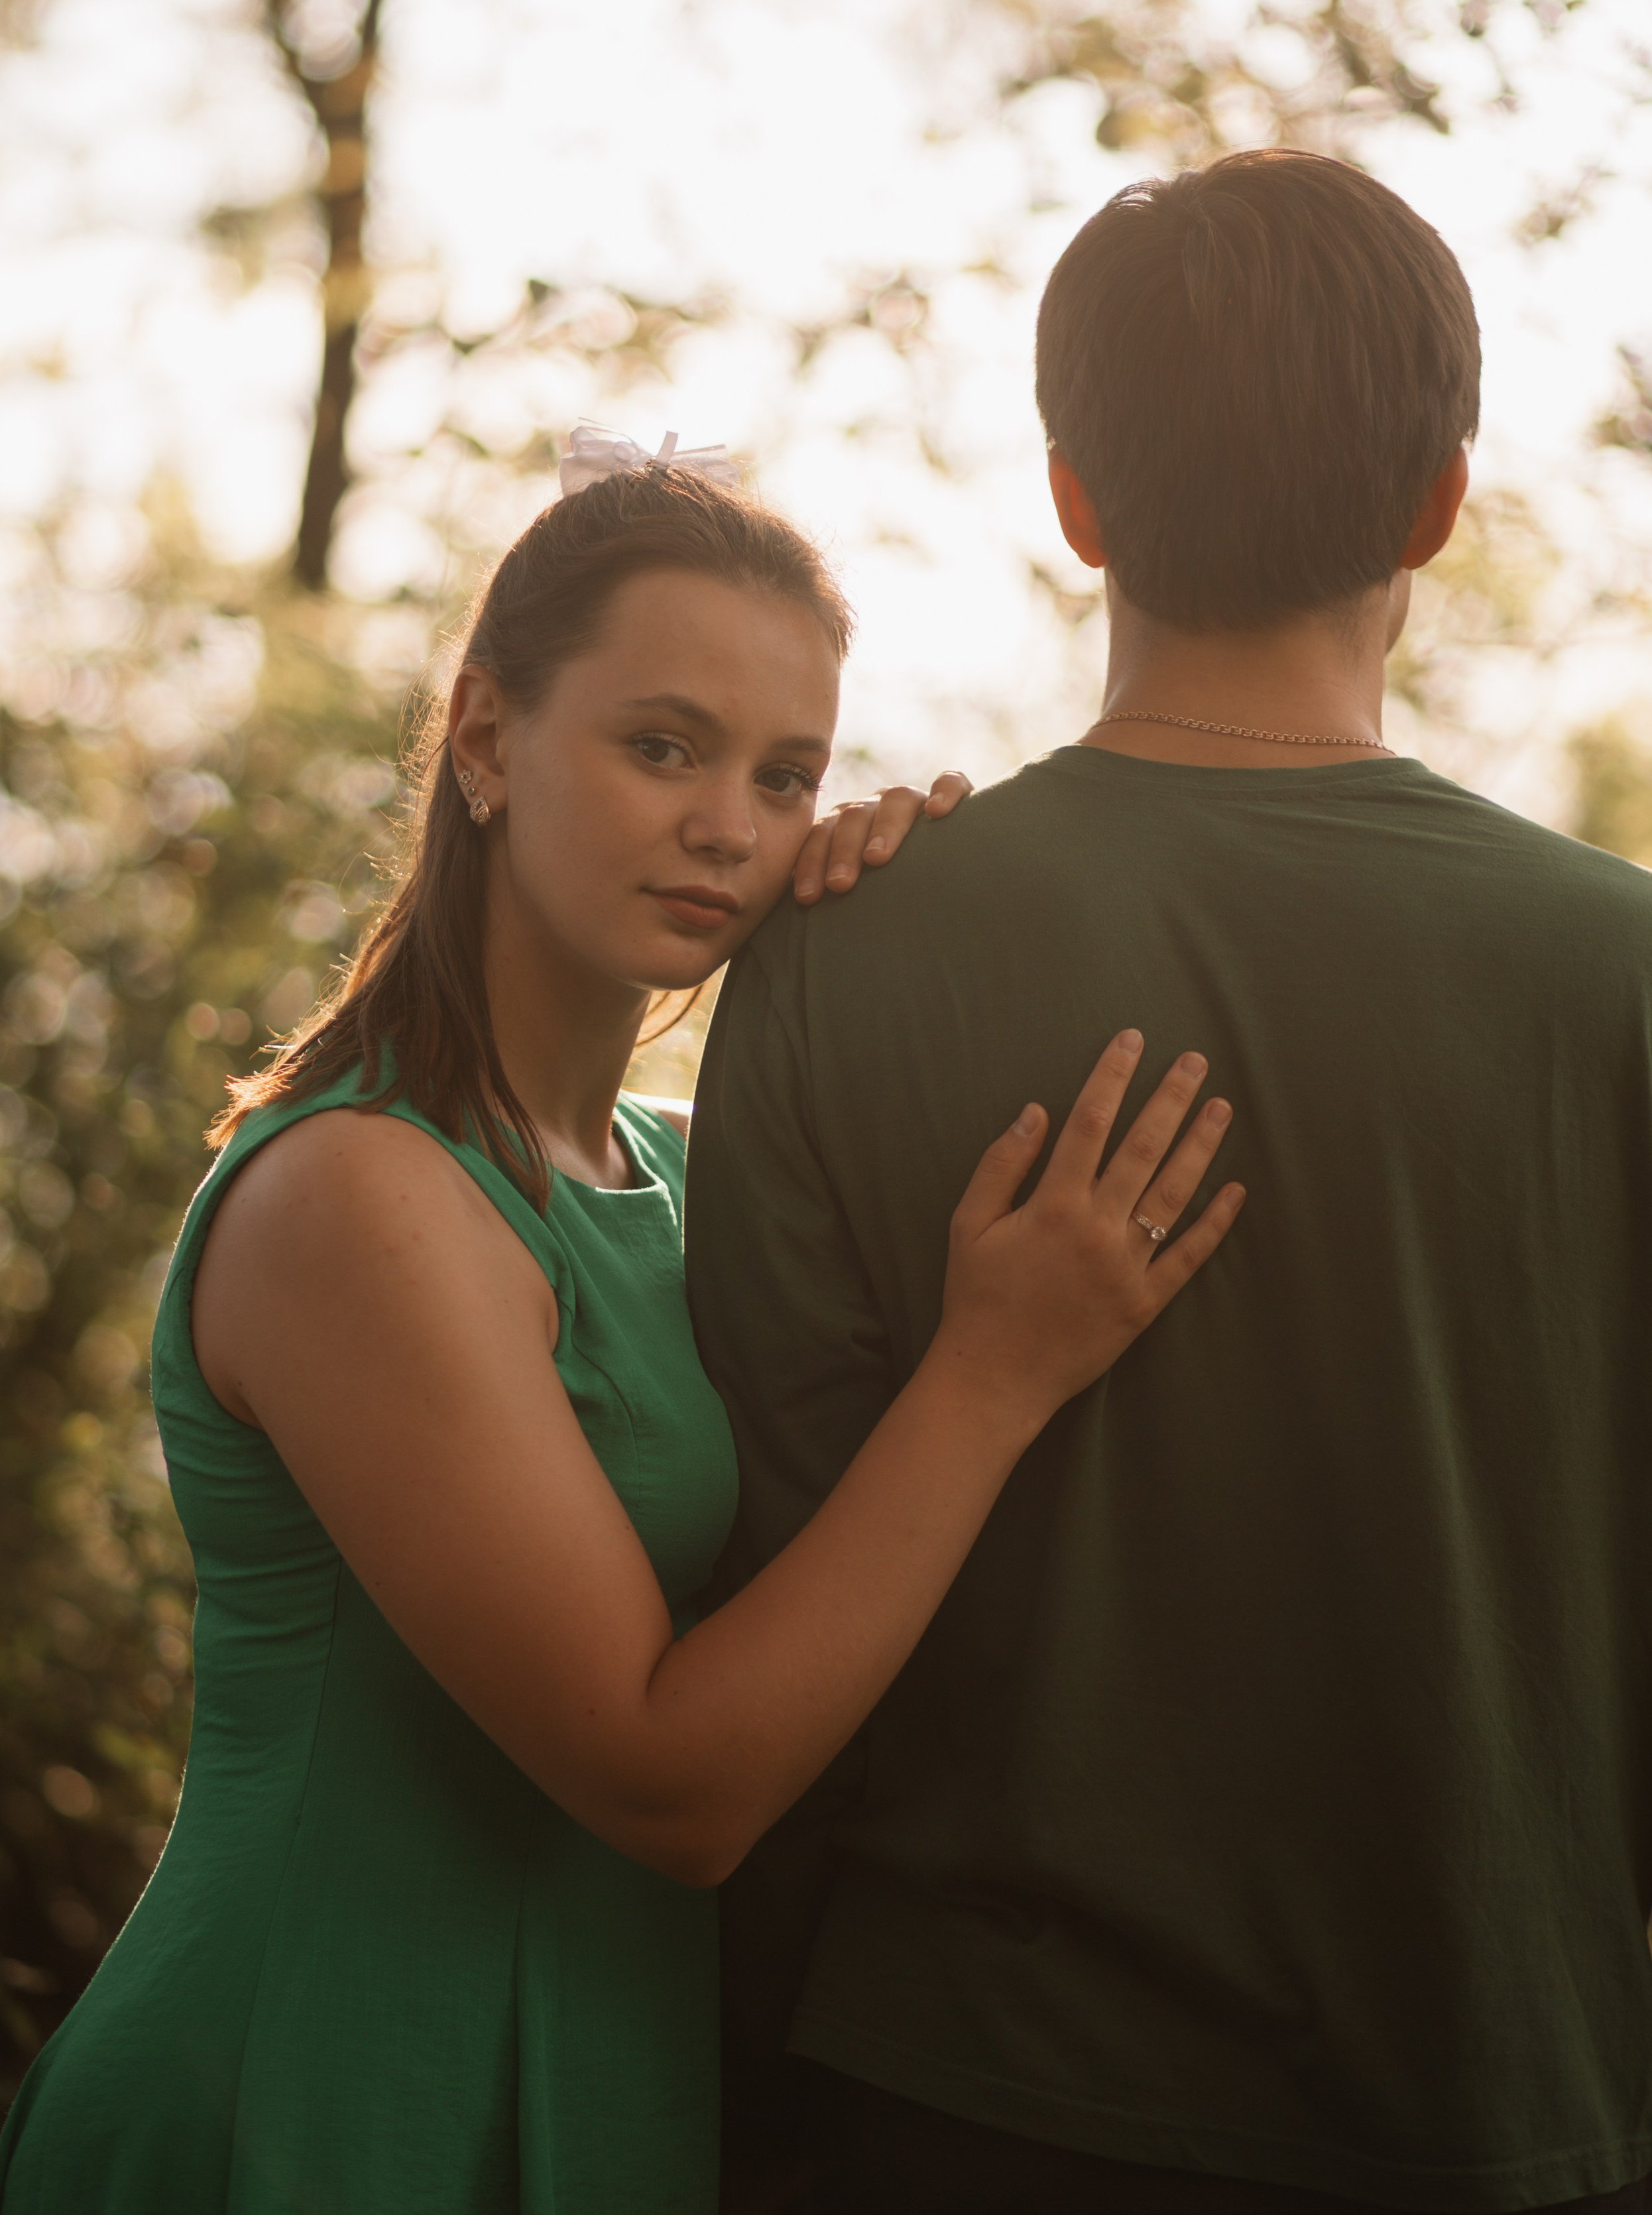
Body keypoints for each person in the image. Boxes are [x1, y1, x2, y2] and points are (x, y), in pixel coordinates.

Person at [0, 430, 1240, 2215]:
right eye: (664, 747)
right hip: (312, 2093)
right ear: (490, 739)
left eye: (787, 772)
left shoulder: (676, 1174)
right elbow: (671, 1784)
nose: (731, 824)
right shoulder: (363, 1196)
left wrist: (904, 932)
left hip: (610, 2090)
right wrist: (996, 1372)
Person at [687, 150, 1652, 2215]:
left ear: (1073, 501)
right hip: (1505, 2119)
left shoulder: (837, 954)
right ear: (1440, 503)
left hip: (957, 2115)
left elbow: (766, 1582)